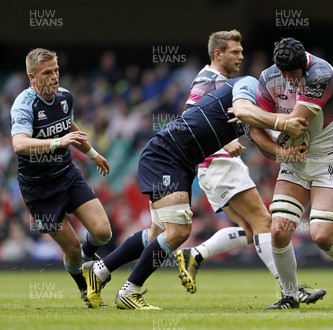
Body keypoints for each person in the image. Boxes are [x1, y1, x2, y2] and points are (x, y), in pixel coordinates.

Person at [82, 75, 307, 310]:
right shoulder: (247, 87)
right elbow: (241, 112)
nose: (239, 56)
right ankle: (130, 291)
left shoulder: (256, 108)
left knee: (155, 235)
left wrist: (286, 152)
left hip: (180, 161)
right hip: (167, 156)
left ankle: (99, 271)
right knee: (179, 231)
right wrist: (283, 122)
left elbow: (262, 141)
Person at [175, 30, 325, 304]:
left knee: (250, 230)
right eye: (235, 51)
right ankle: (290, 290)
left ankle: (194, 255)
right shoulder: (212, 80)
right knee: (264, 223)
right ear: (218, 54)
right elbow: (189, 120)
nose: (241, 56)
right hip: (219, 163)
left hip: (216, 167)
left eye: (242, 51)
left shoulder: (214, 79)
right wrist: (221, 145)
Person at [250, 37, 333, 310]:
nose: (288, 80)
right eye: (284, 74)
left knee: (321, 235)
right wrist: (280, 153)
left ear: (304, 65)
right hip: (296, 160)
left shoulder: (321, 75)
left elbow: (296, 124)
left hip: (332, 158)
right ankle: (290, 296)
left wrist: (248, 114)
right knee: (279, 229)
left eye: (293, 74)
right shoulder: (268, 77)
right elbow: (255, 131)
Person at [10, 48, 112, 307]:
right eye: (47, 73)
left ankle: (91, 255)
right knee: (73, 251)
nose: (54, 77)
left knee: (103, 233)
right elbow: (19, 145)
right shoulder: (24, 104)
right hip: (39, 189)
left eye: (56, 70)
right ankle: (85, 290)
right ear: (32, 78)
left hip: (67, 176)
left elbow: (68, 126)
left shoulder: (65, 96)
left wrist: (93, 154)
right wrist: (58, 142)